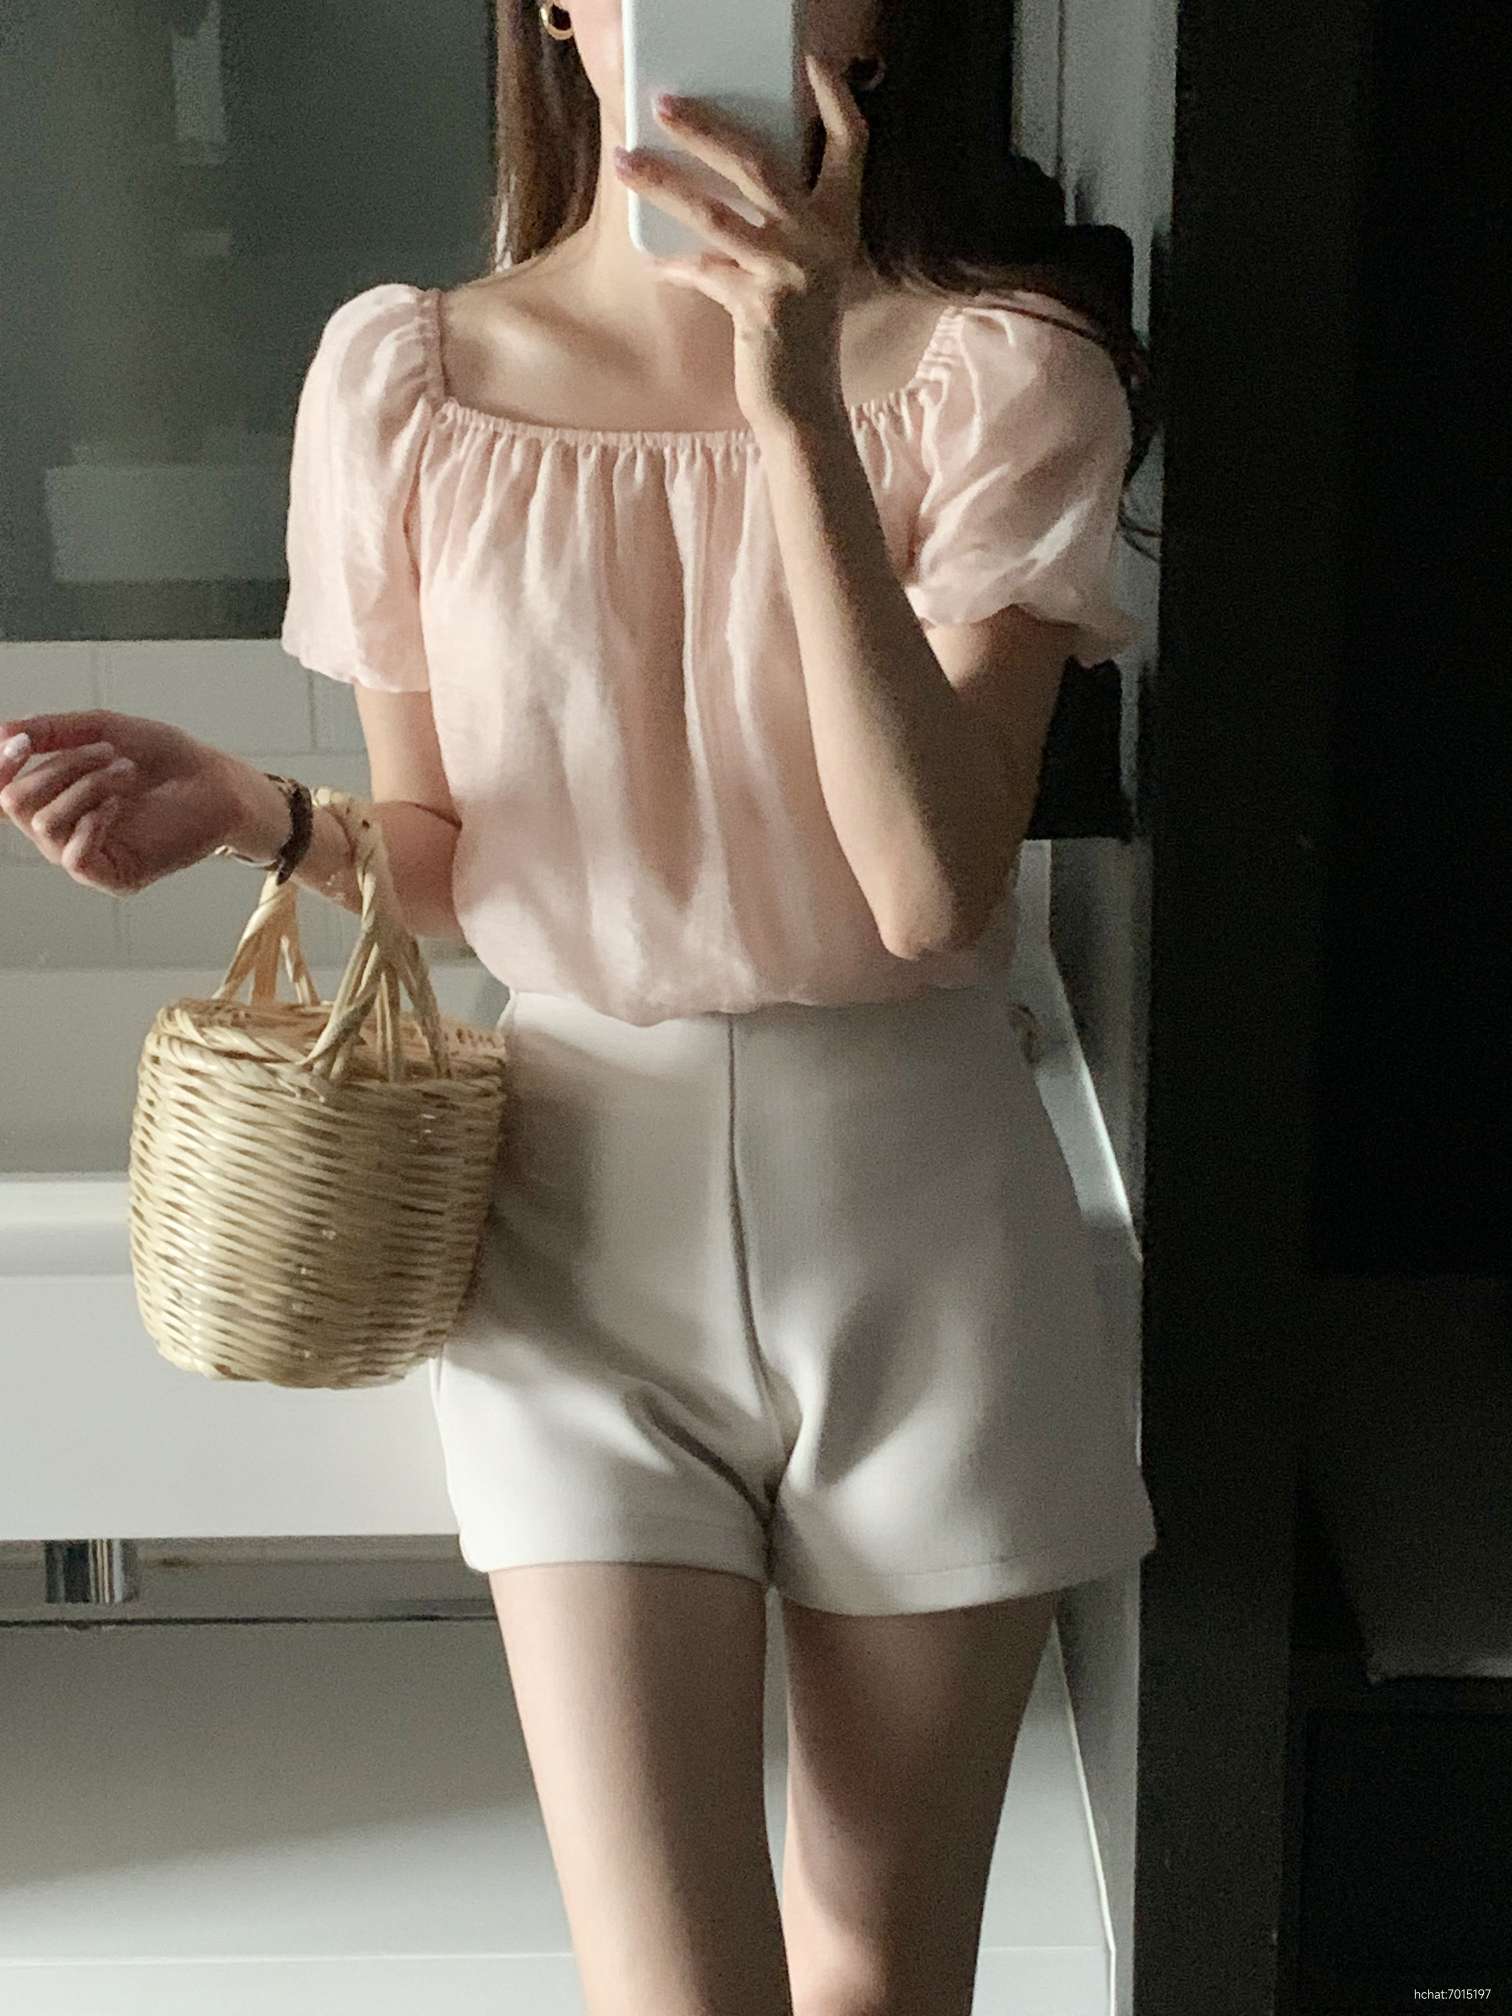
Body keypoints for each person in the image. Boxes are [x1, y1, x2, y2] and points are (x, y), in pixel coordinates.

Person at [0, 4, 1159, 2010]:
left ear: (875, 18)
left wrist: (794, 402)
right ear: (553, 2)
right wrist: (265, 817)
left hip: (924, 1229)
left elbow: (926, 887)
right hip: (571, 1235)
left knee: (886, 1976)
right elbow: (458, 867)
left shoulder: (1003, 376)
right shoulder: (406, 381)